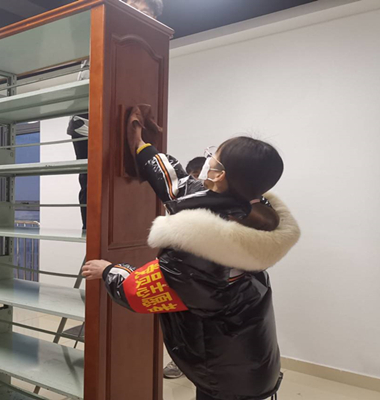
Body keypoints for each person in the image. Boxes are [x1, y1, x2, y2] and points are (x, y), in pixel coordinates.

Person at [82, 111, 301, 400]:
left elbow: (138, 292)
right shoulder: (251, 211)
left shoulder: (199, 250)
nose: (207, 158)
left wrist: (108, 270)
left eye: (213, 155)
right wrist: (142, 146)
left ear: (219, 174)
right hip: (250, 358)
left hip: (228, 379)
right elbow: (179, 185)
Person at [68, 0, 164, 229]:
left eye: (144, 11)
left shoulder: (148, 50)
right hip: (89, 120)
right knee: (92, 181)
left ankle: (117, 235)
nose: (136, 13)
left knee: (126, 182)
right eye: (131, 5)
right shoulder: (104, 32)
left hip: (124, 122)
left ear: (153, 18)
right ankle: (90, 232)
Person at [163, 155, 206, 379]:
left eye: (201, 177)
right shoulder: (179, 200)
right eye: (193, 177)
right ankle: (181, 362)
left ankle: (198, 364)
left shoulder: (220, 203)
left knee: (201, 321)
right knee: (181, 318)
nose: (197, 183)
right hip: (182, 267)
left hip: (206, 272)